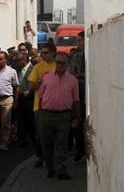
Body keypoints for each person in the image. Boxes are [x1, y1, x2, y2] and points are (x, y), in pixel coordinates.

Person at [38, 52, 80, 180]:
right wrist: (40, 114)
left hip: (63, 116)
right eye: (58, 62)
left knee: (62, 144)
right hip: (46, 115)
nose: (60, 65)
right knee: (46, 144)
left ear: (68, 64)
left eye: (63, 63)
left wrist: (77, 117)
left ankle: (61, 170)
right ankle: (51, 168)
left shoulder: (73, 80)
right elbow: (40, 97)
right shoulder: (47, 78)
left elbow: (76, 100)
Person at [28, 43, 57, 167]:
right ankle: (40, 156)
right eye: (42, 52)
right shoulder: (38, 66)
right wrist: (40, 83)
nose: (42, 55)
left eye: (46, 52)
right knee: (41, 134)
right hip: (39, 106)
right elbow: (32, 85)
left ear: (53, 53)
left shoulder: (58, 66)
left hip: (55, 105)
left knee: (54, 135)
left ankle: (54, 158)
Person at [69, 31, 86, 162]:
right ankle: (80, 149)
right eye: (78, 40)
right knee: (77, 122)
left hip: (85, 93)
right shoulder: (75, 55)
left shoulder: (88, 53)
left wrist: (79, 76)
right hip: (77, 94)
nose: (78, 43)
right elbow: (72, 74)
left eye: (80, 40)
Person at [13, 53, 36, 147]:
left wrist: (30, 91)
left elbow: (34, 81)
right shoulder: (18, 70)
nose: (16, 63)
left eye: (18, 61)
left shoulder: (33, 68)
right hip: (21, 97)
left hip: (30, 97)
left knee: (30, 119)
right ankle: (22, 140)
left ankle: (33, 139)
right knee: (21, 119)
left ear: (24, 60)